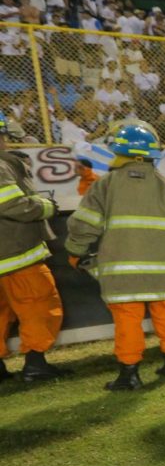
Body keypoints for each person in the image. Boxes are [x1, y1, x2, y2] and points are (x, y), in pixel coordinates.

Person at [65, 119, 165, 390]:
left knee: (127, 319)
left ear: (117, 151)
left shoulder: (104, 185)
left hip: (122, 272)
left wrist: (75, 252)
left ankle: (129, 374)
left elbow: (83, 225)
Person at [0, 114, 68, 383]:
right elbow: (10, 204)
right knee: (39, 306)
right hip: (17, 255)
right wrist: (46, 206)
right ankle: (36, 364)